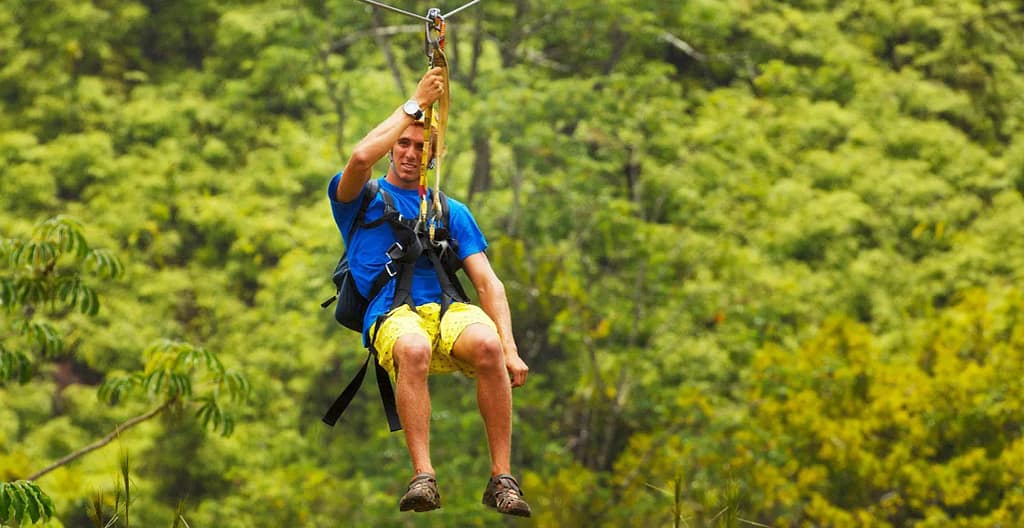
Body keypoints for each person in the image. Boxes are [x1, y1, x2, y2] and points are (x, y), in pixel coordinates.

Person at [327, 67, 532, 517]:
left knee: (487, 344)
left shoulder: (448, 210)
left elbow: (486, 282)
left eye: (421, 147)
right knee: (415, 348)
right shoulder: (360, 199)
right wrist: (415, 103)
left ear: (433, 157)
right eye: (404, 143)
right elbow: (360, 158)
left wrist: (510, 348)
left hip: (445, 307)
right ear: (392, 146)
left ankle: (502, 478)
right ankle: (424, 476)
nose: (410, 153)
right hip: (392, 313)